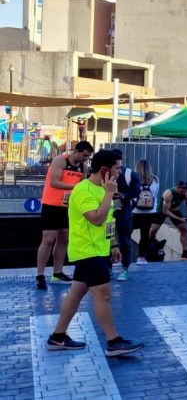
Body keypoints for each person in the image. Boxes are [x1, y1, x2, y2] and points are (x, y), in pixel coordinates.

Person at [44, 149, 144, 357]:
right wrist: (108, 194)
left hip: (98, 250)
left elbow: (108, 220)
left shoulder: (103, 190)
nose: (120, 172)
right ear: (105, 170)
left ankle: (58, 336)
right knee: (103, 295)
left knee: (76, 293)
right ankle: (113, 341)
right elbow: (96, 219)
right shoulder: (84, 191)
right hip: (87, 251)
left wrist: (113, 244)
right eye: (116, 168)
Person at [36, 141, 93, 290]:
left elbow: (84, 184)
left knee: (64, 238)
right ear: (76, 151)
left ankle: (58, 272)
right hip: (51, 204)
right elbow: (54, 182)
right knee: (48, 239)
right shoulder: (60, 160)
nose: (85, 159)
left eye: (88, 157)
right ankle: (40, 275)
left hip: (68, 207)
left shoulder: (83, 166)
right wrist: (75, 187)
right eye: (84, 155)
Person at [112, 149, 141, 281]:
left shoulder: (130, 174)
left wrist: (122, 195)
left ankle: (124, 267)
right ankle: (112, 267)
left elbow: (136, 191)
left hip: (123, 210)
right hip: (109, 210)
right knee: (108, 239)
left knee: (123, 239)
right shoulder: (104, 174)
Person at [152, 181, 187, 260]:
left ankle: (185, 253)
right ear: (178, 187)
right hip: (162, 211)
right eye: (182, 189)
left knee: (184, 229)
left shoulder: (186, 193)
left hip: (175, 210)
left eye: (186, 189)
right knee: (153, 230)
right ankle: (149, 247)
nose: (184, 191)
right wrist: (179, 219)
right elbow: (166, 211)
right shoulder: (168, 194)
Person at [132, 160, 160, 264]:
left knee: (126, 233)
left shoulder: (133, 178)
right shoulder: (155, 179)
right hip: (150, 212)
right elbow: (155, 194)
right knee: (144, 234)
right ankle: (141, 258)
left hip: (135, 211)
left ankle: (121, 257)